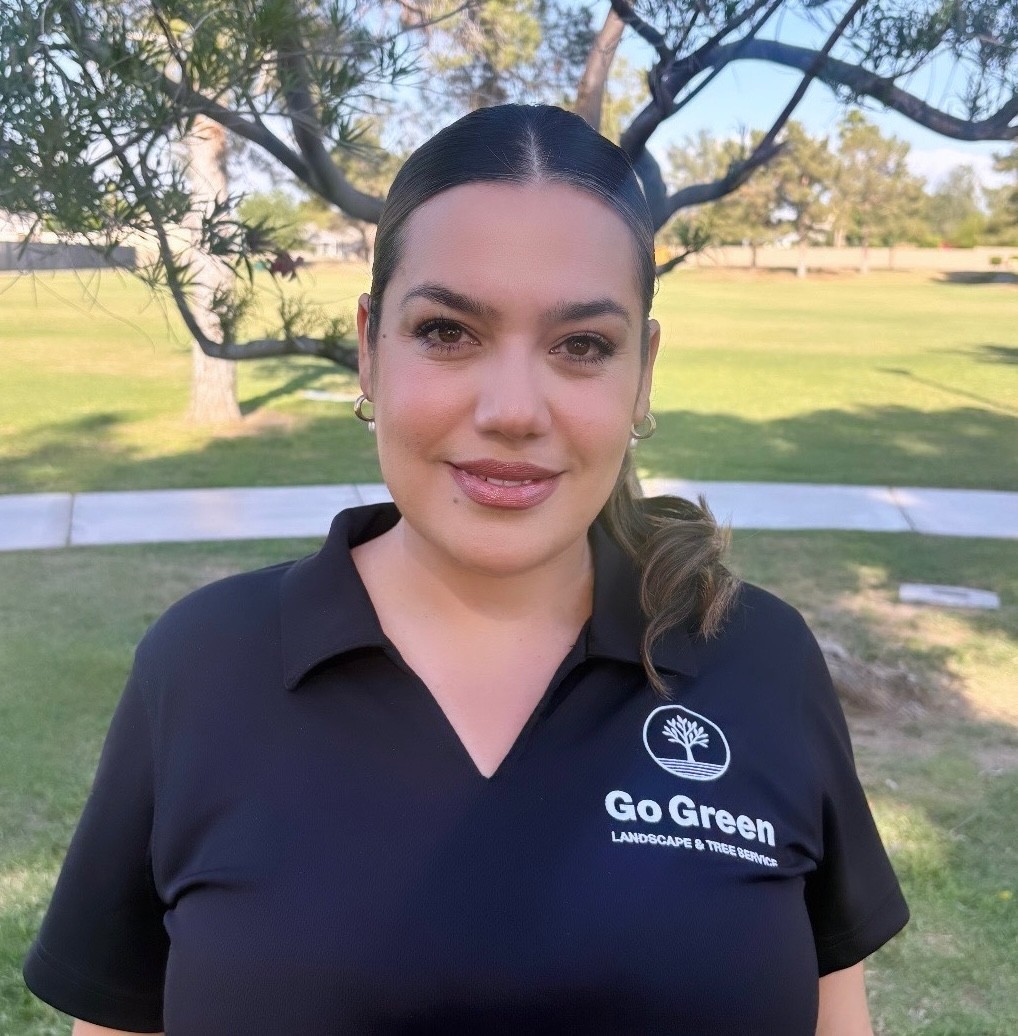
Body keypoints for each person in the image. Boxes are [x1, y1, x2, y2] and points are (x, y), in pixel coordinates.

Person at [24, 104, 908, 1036]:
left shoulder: (755, 655)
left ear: (642, 373)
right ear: (370, 348)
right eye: (448, 332)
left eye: (582, 346)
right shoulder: (203, 667)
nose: (514, 410)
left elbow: (833, 1015)